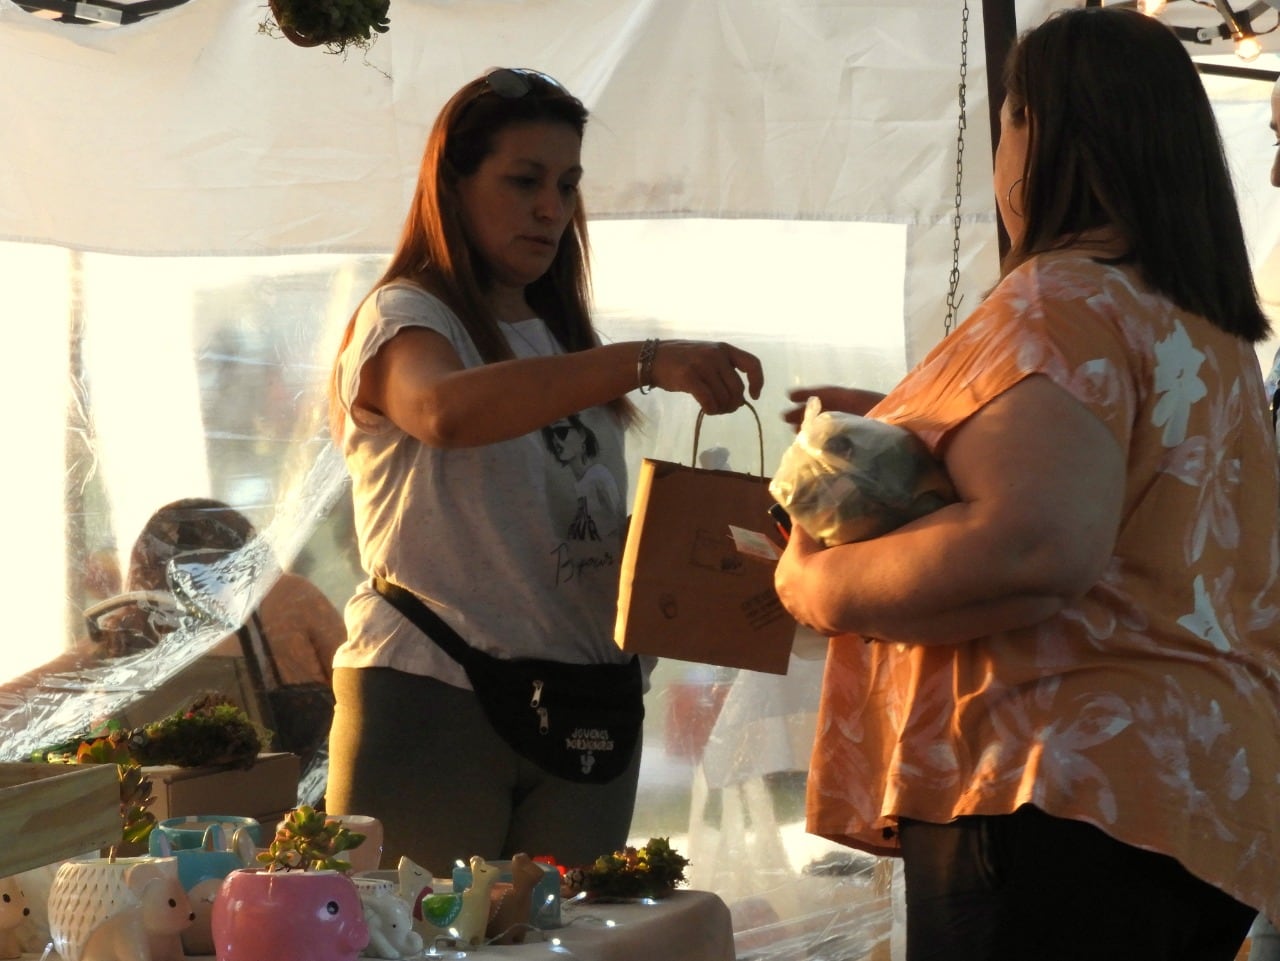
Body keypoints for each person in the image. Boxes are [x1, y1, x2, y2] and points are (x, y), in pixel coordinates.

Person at [773, 9, 1280, 961]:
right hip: (1192, 795)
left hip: (1056, 787)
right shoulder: (1205, 332)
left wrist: (816, 585)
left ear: (1041, 131)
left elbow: (1034, 544)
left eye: (1010, 117)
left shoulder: (1063, 295)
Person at [324, 66, 763, 876]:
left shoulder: (564, 341)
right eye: (523, 181)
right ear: (450, 187)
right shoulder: (406, 316)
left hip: (590, 705)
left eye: (566, 185)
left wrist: (696, 545)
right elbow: (446, 413)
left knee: (572, 940)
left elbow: (561, 525)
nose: (551, 209)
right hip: (435, 694)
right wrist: (645, 360)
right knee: (408, 934)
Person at [121, 497, 346, 794]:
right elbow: (359, 689)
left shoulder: (132, 624)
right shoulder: (288, 596)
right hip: (304, 805)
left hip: (192, 808)